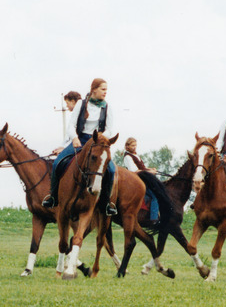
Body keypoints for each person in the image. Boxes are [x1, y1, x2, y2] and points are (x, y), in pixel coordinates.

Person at [42, 78, 118, 216]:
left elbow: (109, 130)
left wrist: (100, 138)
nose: (105, 92)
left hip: (97, 142)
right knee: (58, 162)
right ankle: (53, 197)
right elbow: (71, 125)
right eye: (103, 89)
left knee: (111, 170)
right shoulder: (81, 104)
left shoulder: (107, 107)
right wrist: (75, 138)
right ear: (94, 89)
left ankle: (107, 203)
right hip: (80, 140)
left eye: (106, 89)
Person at [123, 137, 159, 224]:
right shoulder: (128, 157)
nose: (134, 147)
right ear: (127, 146)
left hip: (143, 178)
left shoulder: (135, 155)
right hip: (138, 180)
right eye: (132, 145)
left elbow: (142, 167)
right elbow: (135, 171)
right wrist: (150, 172)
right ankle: (154, 219)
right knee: (154, 196)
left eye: (135, 145)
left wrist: (151, 169)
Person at [51, 91, 82, 155]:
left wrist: (64, 148)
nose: (66, 106)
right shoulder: (74, 116)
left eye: (67, 103)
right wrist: (61, 147)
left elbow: (77, 136)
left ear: (73, 102)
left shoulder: (81, 116)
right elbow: (68, 137)